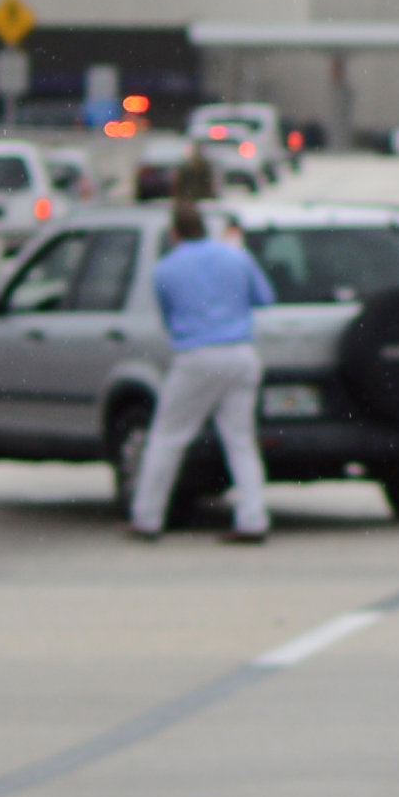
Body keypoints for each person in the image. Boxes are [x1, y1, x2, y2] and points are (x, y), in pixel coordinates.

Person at [127, 199, 275, 544]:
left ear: (174, 233)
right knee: (240, 442)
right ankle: (253, 519)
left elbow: (168, 319)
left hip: (196, 356)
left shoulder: (165, 269)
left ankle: (147, 518)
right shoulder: (237, 257)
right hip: (241, 354)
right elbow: (264, 297)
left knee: (168, 437)